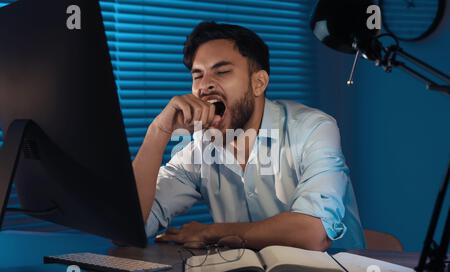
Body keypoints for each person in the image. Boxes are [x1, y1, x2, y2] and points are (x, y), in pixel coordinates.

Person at [132, 21, 365, 251]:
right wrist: (158, 131)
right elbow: (132, 227)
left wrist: (210, 232)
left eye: (221, 71)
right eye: (197, 76)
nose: (205, 86)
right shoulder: (198, 152)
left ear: (259, 83)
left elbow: (313, 234)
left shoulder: (313, 129)